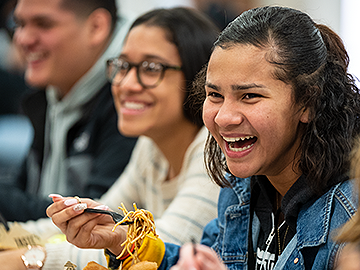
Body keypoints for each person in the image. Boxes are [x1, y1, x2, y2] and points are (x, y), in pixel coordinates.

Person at [47, 5, 360, 270]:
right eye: (215, 94)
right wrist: (123, 241)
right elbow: (197, 257)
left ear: (307, 102)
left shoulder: (350, 213)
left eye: (249, 96)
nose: (224, 117)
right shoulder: (241, 187)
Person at [0, 7, 220, 270]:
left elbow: (164, 247)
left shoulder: (214, 149)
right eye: (123, 65)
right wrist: (11, 235)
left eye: (150, 68)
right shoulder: (151, 146)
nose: (126, 83)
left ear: (199, 76)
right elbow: (100, 223)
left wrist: (30, 260)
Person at [0, 0, 138, 222]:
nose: (22, 39)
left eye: (43, 24)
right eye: (19, 24)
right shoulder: (52, 92)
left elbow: (96, 221)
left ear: (96, 27)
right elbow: (24, 191)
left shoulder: (132, 99)